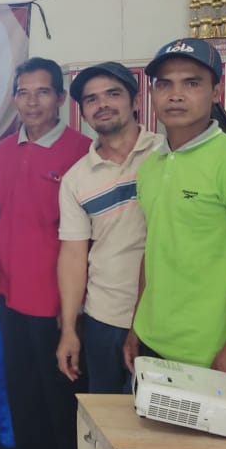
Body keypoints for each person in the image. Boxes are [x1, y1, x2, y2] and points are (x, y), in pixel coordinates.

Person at [123, 39, 226, 380]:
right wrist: (137, 324)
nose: (175, 95)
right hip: (152, 341)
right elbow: (155, 250)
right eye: (164, 84)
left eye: (191, 83)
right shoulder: (151, 166)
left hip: (210, 352)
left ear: (216, 92)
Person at [0, 57, 90, 449]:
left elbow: (89, 235)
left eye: (42, 92)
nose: (32, 102)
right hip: (9, 292)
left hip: (59, 298)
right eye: (23, 93)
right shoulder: (3, 151)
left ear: (60, 98)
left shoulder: (83, 151)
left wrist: (74, 305)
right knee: (22, 386)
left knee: (63, 391)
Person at [57, 62, 161, 394]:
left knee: (169, 418)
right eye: (91, 99)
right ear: (84, 113)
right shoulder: (76, 178)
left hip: (168, 315)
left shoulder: (166, 154)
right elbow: (73, 256)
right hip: (105, 318)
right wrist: (69, 328)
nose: (102, 104)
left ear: (136, 101)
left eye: (113, 94)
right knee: (108, 416)